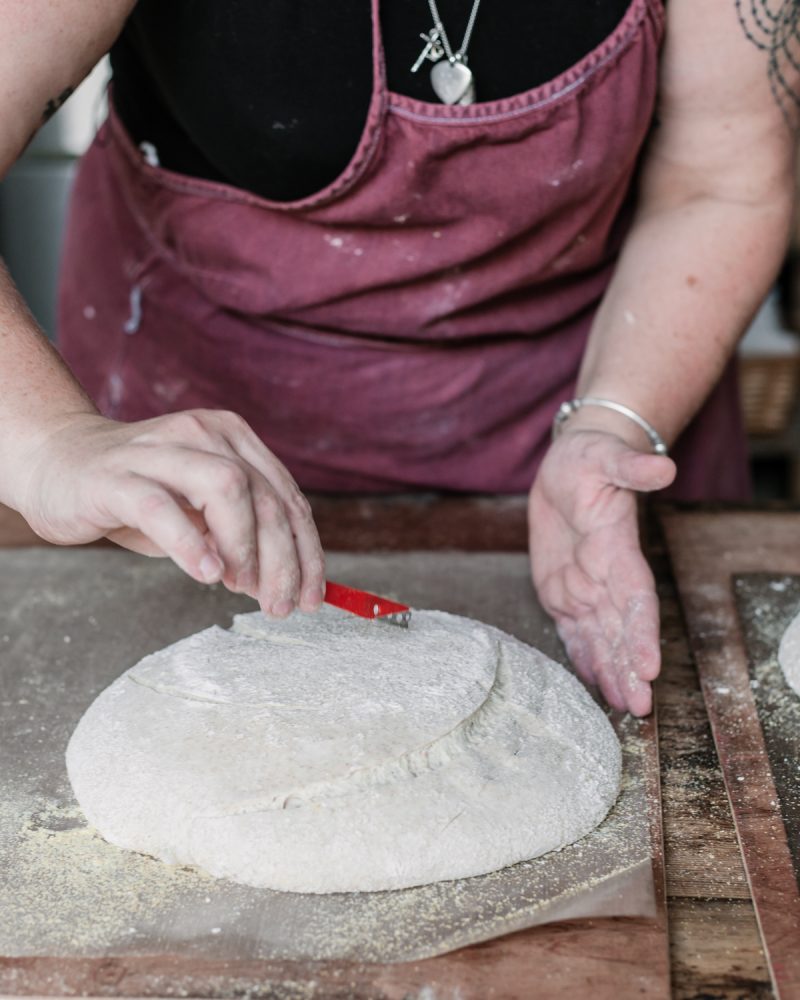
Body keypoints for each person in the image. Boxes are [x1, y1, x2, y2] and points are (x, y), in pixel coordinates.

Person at [0, 0, 796, 717]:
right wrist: (48, 442)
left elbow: (722, 180)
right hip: (200, 437)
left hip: (595, 371)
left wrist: (615, 424)